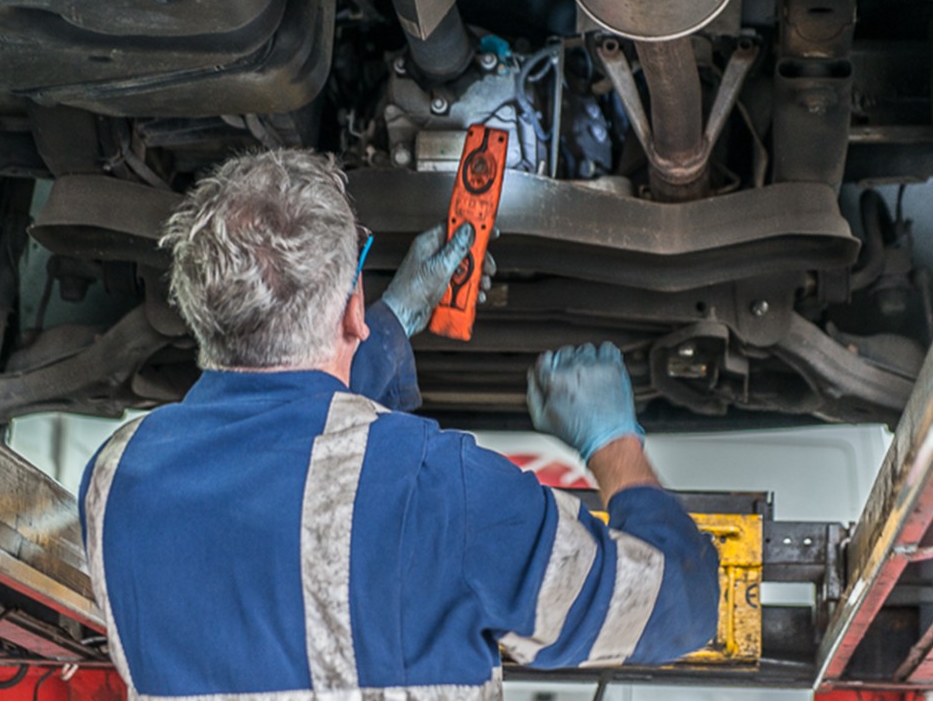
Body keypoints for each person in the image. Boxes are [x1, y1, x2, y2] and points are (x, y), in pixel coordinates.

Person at [79, 148, 718, 701]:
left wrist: (394, 317)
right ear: (351, 306)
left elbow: (285, 444)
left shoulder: (116, 475)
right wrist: (614, 443)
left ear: (201, 315)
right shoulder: (443, 493)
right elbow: (677, 608)